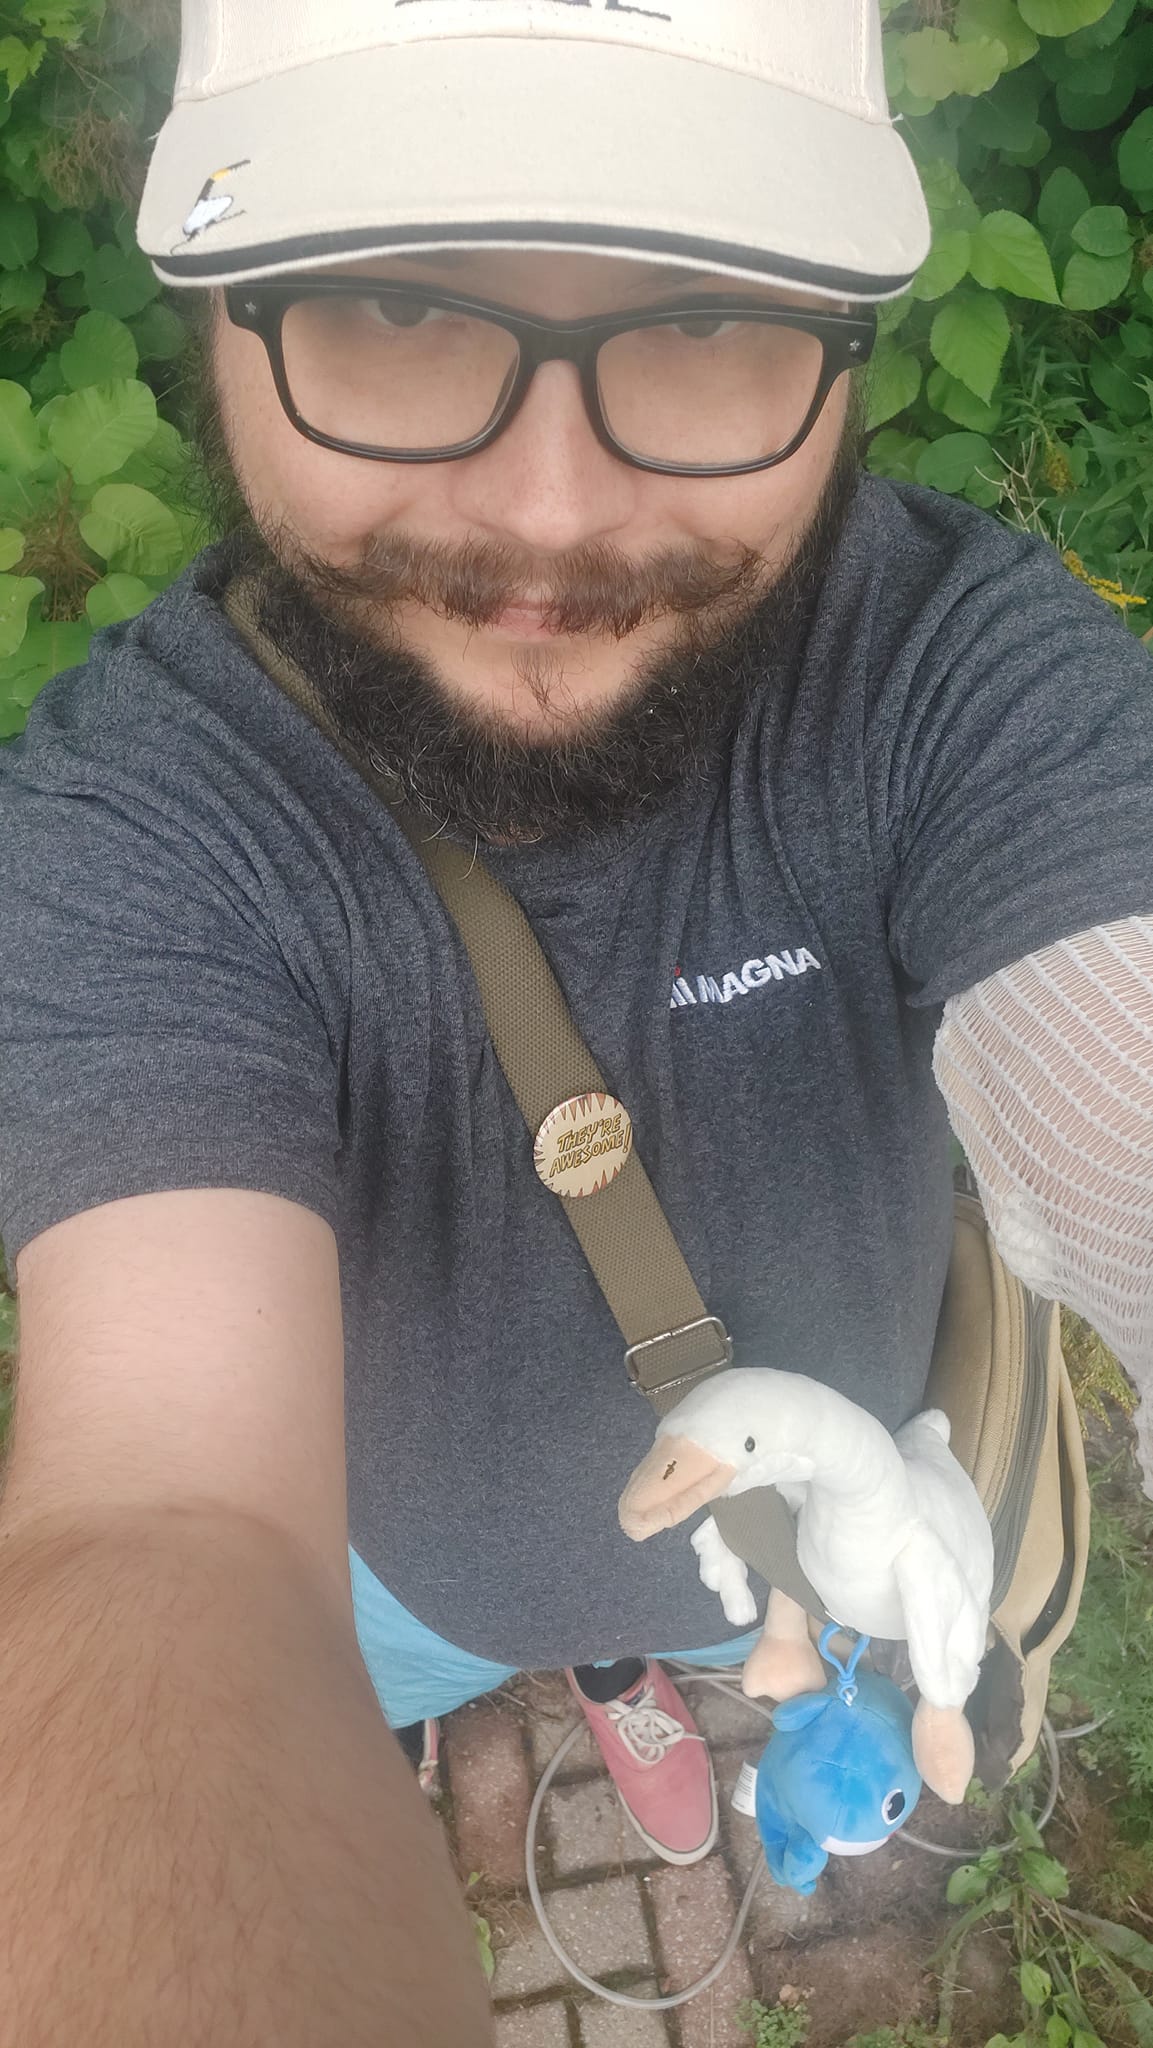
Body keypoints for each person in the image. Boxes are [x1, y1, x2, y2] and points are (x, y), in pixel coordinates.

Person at [1, 0, 1151, 2039]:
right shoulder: (135, 825)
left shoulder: (949, 682)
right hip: (387, 1582)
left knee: (671, 1617)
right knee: (372, 1664)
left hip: (780, 1529)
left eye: (707, 320)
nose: (547, 508)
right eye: (390, 305)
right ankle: (510, 1687)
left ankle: (624, 1675)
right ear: (215, 310)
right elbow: (158, 1522)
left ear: (847, 347)